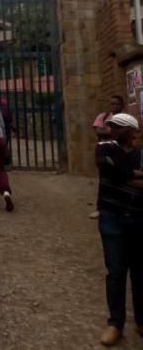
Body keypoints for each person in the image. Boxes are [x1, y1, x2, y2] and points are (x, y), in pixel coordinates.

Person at [95, 113, 143, 347]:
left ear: (132, 131)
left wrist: (120, 175)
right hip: (111, 217)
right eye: (112, 126)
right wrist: (133, 177)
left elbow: (115, 174)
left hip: (138, 218)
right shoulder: (104, 149)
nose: (112, 130)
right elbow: (106, 169)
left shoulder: (140, 154)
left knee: (140, 271)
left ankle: (141, 321)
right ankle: (116, 323)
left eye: (118, 127)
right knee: (115, 271)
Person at [90, 95, 126, 219]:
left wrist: (109, 132)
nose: (115, 106)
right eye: (112, 104)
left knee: (122, 178)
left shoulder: (125, 118)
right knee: (104, 180)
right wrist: (117, 132)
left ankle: (121, 207)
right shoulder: (103, 116)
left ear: (122, 106)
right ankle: (100, 208)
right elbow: (99, 132)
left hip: (120, 150)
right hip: (104, 150)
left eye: (117, 104)